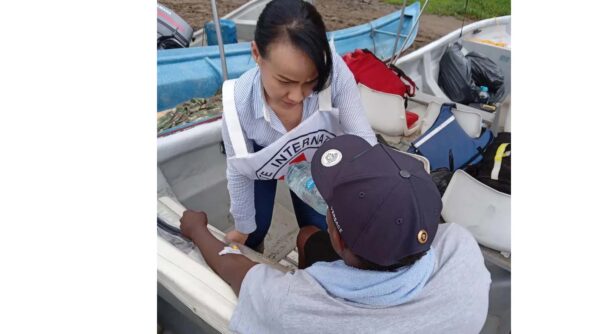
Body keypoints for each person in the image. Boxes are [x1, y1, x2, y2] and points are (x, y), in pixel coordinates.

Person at [180, 135, 491, 333]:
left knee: (306, 239)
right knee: (307, 236)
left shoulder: (295, 309)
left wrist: (196, 229)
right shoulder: (462, 251)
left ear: (339, 240)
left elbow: (235, 269)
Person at [220, 0, 377, 250]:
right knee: (254, 228)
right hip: (263, 160)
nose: (297, 96)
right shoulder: (238, 103)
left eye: (310, 82)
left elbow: (362, 138)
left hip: (317, 160)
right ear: (256, 54)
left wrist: (374, 193)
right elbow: (238, 171)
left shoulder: (335, 73)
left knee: (319, 226)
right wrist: (241, 228)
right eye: (285, 81)